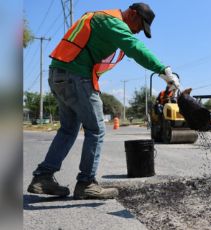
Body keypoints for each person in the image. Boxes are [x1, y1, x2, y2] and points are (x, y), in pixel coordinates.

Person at [27, 3, 179, 199]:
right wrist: (162, 70)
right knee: (96, 129)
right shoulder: (113, 22)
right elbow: (134, 47)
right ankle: (87, 183)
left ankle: (43, 177)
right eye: (139, 26)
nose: (138, 31)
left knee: (68, 129)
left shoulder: (101, 18)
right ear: (132, 14)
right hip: (76, 76)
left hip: (59, 74)